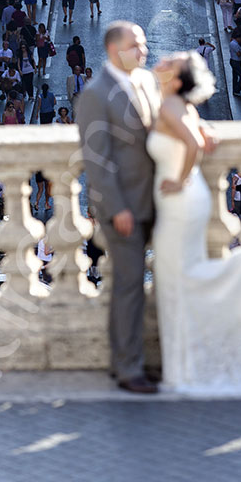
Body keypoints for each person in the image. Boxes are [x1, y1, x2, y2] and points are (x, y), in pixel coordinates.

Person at [149, 51, 241, 394]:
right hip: (191, 198)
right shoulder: (181, 106)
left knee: (180, 277)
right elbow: (200, 137)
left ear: (176, 80)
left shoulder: (169, 105)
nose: (160, 62)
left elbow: (190, 144)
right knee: (183, 275)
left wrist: (179, 178)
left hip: (179, 199)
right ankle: (188, 363)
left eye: (168, 64)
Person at [76, 21, 161, 394]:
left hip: (154, 202)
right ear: (115, 51)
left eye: (142, 45)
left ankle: (140, 359)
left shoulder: (144, 81)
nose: (143, 52)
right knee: (128, 288)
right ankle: (128, 368)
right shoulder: (96, 94)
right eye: (136, 46)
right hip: (124, 208)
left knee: (144, 286)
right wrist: (117, 208)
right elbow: (98, 160)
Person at [229, 30, 241, 97]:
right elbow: (238, 54)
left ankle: (235, 90)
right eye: (240, 38)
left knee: (235, 76)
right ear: (237, 38)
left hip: (235, 61)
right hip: (236, 62)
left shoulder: (233, 43)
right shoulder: (234, 44)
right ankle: (237, 89)